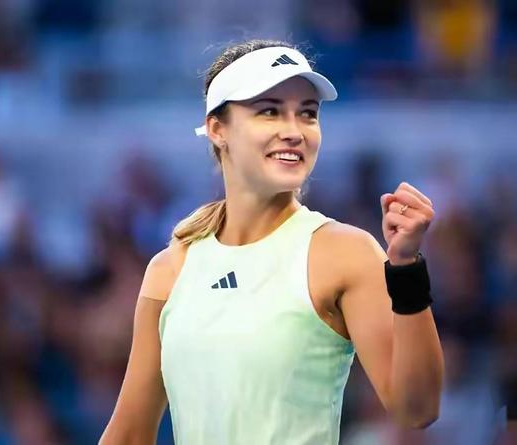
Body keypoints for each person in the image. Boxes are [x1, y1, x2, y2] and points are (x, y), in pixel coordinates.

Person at [99, 39, 444, 444]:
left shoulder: (346, 253)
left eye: (307, 114)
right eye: (269, 111)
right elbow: (128, 434)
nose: (294, 131)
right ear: (218, 129)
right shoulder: (170, 269)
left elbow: (417, 409)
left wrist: (406, 268)